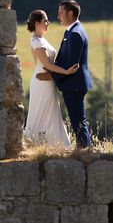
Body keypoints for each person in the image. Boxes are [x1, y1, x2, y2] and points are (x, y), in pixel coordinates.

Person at [37, 0, 93, 148]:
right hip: (72, 84)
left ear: (70, 13)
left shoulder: (75, 33)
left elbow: (71, 65)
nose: (58, 16)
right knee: (77, 121)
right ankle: (85, 149)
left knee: (78, 121)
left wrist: (51, 76)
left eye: (61, 12)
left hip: (74, 84)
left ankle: (85, 151)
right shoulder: (72, 31)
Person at [24, 10, 78, 147]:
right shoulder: (37, 42)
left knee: (52, 112)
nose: (48, 23)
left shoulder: (42, 39)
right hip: (41, 83)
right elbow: (47, 64)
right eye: (45, 21)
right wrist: (66, 72)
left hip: (49, 82)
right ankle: (33, 144)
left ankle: (56, 145)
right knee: (40, 112)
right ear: (37, 23)